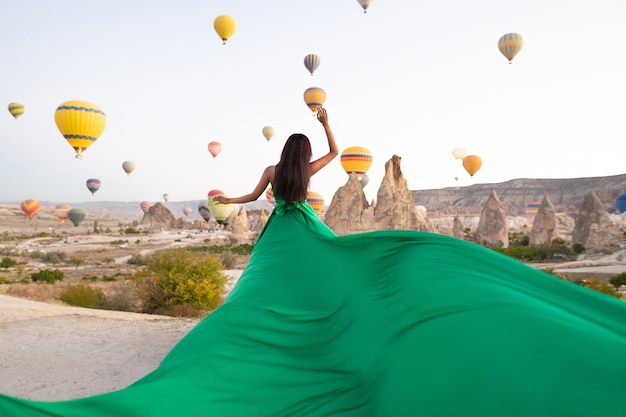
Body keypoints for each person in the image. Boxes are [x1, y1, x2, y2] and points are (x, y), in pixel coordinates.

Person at [2, 111, 626, 417]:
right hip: (312, 228)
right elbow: (332, 151)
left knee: (259, 297)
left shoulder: (275, 173)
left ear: (281, 155)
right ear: (308, 156)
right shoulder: (310, 170)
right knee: (343, 280)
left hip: (280, 236)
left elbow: (250, 200)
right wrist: (328, 121)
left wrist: (224, 201)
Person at [213, 106, 338, 208]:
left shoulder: (271, 171)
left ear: (286, 151)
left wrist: (228, 201)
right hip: (303, 217)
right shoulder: (307, 170)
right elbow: (334, 152)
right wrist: (325, 124)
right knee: (324, 239)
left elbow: (253, 196)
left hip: (280, 219)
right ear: (306, 153)